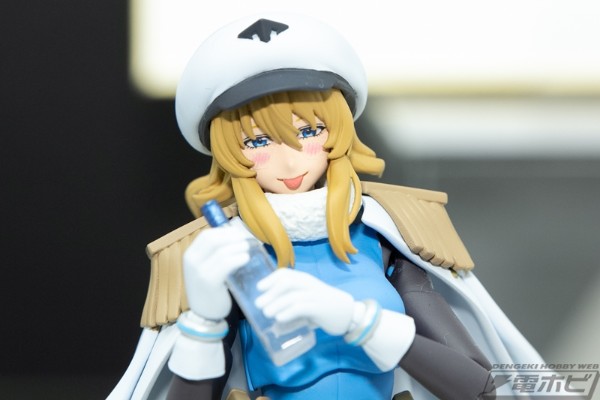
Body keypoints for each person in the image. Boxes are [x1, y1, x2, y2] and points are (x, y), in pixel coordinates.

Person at [108, 13, 544, 400]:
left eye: (308, 132)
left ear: (337, 131)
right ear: (229, 153)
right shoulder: (230, 253)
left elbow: (480, 388)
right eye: (258, 142)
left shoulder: (386, 235)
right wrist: (203, 323)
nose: (289, 161)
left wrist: (358, 321)